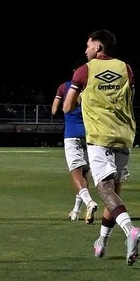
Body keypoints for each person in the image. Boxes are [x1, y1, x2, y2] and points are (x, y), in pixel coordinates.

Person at [62, 29, 140, 266]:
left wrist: (84, 97)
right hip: (124, 137)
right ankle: (102, 241)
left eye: (88, 45)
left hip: (100, 137)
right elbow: (130, 98)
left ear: (98, 47)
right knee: (113, 193)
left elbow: (67, 107)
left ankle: (130, 230)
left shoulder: (84, 70)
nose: (86, 50)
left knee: (104, 189)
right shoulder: (126, 68)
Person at [51, 61, 98, 224]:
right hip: (89, 134)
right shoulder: (91, 87)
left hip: (72, 134)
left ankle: (89, 202)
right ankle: (76, 211)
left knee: (76, 173)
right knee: (84, 174)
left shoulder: (64, 87)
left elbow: (54, 109)